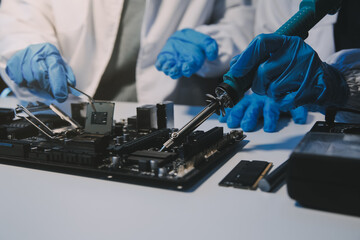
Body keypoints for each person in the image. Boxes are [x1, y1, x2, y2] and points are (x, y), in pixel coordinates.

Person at [0, 0, 255, 106]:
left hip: (172, 108)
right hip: (66, 110)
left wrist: (212, 43)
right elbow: (21, 13)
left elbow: (241, 17)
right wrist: (26, 47)